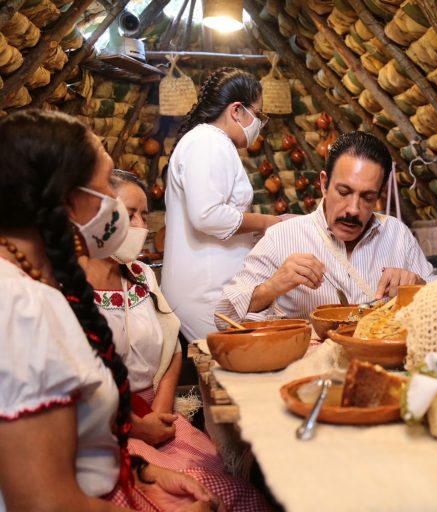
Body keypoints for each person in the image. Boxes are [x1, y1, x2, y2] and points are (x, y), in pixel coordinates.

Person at [0, 109, 222, 510]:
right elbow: (45, 504)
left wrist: (143, 474)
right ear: (69, 203)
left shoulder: (32, 286)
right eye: (106, 188)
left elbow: (75, 449)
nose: (124, 217)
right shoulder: (19, 306)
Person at [82, 170, 270, 510]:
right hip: (108, 429)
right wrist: (138, 428)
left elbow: (171, 348)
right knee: (190, 492)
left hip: (159, 414)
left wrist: (161, 411)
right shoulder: (68, 291)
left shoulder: (141, 277)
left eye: (143, 214)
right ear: (97, 216)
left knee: (230, 482)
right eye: (129, 214)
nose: (140, 224)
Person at [216, 131, 437, 327]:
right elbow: (223, 316)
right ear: (324, 184)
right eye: (343, 192)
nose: (353, 209)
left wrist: (417, 286)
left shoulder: (397, 235)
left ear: (379, 195)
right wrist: (273, 286)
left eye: (367, 197)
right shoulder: (281, 238)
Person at [163, 67, 281, 341]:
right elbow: (207, 215)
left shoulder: (210, 142)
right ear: (237, 111)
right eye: (258, 114)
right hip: (206, 292)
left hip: (208, 288)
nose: (259, 124)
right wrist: (266, 222)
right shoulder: (208, 142)